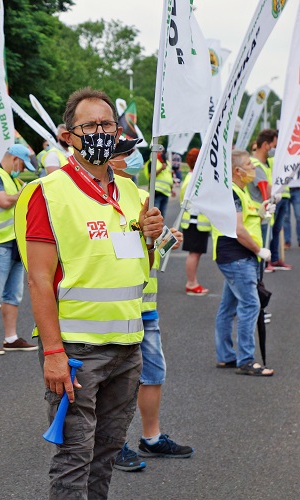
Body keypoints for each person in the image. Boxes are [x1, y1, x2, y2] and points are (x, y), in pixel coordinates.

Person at [15, 88, 164, 498]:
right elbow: (38, 281)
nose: (101, 132)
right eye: (90, 125)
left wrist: (151, 241)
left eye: (108, 125)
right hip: (78, 352)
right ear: (68, 135)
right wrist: (53, 353)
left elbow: (140, 269)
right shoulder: (49, 192)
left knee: (107, 452)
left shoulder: (133, 193)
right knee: (74, 458)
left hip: (128, 346)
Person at [109, 140, 194, 472]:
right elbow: (111, 248)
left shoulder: (138, 195)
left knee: (154, 374)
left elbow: (147, 254)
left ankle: (152, 438)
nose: (132, 159)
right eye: (124, 153)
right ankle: (113, 444)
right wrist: (147, 238)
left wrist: (162, 239)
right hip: (116, 308)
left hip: (146, 306)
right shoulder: (99, 199)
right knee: (116, 380)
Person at [212, 150, 274, 376]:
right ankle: (246, 360)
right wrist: (260, 250)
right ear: (237, 171)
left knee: (228, 307)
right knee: (250, 305)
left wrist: (262, 211)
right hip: (238, 257)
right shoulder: (233, 193)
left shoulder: (239, 192)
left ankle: (226, 355)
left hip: (236, 257)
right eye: (249, 165)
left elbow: (245, 219)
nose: (253, 168)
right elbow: (238, 230)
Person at [0, 144, 37, 355]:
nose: (21, 169)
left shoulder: (9, 177)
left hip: (14, 244)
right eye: (21, 164)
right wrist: (22, 194)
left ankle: (10, 338)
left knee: (13, 295)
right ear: (13, 159)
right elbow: (3, 202)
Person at [249, 129, 290, 271]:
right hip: (258, 215)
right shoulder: (256, 165)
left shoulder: (265, 164)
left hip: (263, 214)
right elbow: (266, 191)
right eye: (274, 145)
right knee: (258, 259)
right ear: (266, 145)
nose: (275, 150)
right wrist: (275, 193)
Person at [180, 147, 211, 296]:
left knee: (195, 253)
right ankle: (191, 283)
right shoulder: (194, 180)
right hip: (195, 222)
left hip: (195, 222)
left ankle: (192, 282)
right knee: (194, 253)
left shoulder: (192, 177)